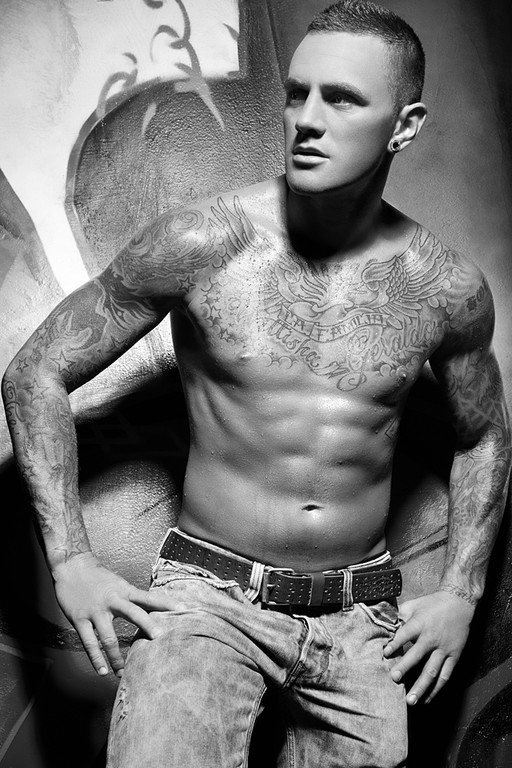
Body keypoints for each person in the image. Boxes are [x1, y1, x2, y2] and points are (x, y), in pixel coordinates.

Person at [2, 1, 511, 766]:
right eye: (298, 93)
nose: (308, 120)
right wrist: (71, 560)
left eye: (343, 99)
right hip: (207, 598)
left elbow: (484, 434)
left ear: (404, 126)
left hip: (361, 615)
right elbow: (37, 369)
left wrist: (462, 594)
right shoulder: (204, 241)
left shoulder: (444, 288)